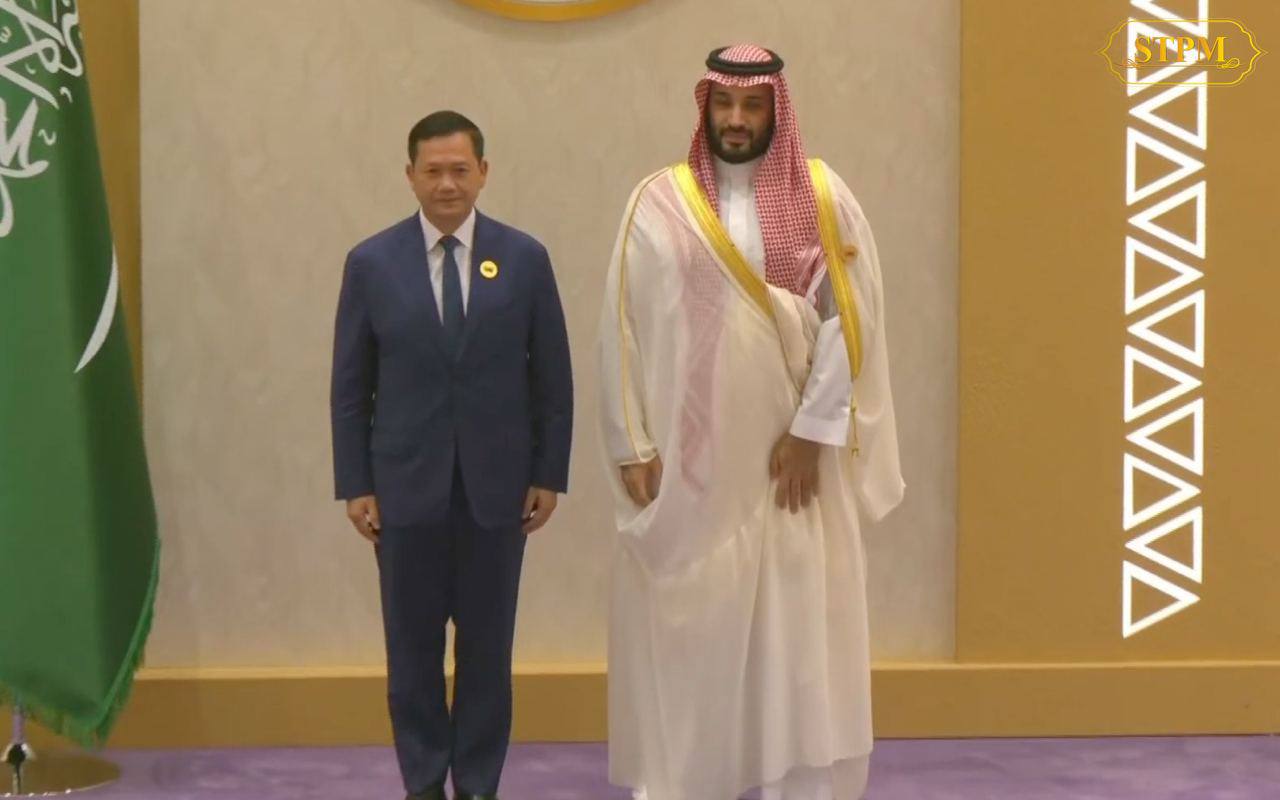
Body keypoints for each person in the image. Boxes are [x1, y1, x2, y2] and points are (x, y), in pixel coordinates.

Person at [597, 45, 905, 800]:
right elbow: (621, 325)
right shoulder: (656, 202)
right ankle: (687, 781)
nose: (737, 120)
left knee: (793, 633)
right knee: (693, 626)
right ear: (706, 107)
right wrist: (631, 443)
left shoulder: (823, 196)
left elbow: (848, 320)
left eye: (753, 106)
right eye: (725, 105)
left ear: (776, 111)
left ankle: (792, 785)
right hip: (693, 467)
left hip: (788, 472)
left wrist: (809, 434)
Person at [331, 110, 573, 800]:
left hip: (498, 492)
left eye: (460, 170)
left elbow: (552, 379)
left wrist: (547, 474)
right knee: (411, 652)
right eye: (432, 171)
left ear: (483, 173)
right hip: (403, 491)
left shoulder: (524, 259)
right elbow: (350, 387)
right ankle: (422, 781)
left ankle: (478, 782)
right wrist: (356, 483)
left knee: (487, 652)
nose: (446, 184)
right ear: (410, 175)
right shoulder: (372, 264)